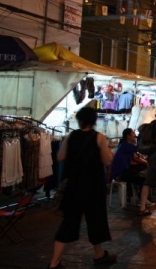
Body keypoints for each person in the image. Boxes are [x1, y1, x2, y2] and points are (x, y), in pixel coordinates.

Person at [47, 106, 116, 269]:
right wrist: (108, 152)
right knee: (95, 220)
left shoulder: (71, 136)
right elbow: (107, 161)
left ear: (79, 120)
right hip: (93, 187)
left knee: (68, 222)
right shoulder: (99, 137)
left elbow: (60, 157)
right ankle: (99, 255)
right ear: (93, 120)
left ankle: (54, 262)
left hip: (74, 186)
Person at [110, 128, 152, 206]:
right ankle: (143, 200)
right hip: (121, 173)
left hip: (122, 171)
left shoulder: (124, 145)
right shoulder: (128, 146)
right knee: (142, 179)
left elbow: (134, 158)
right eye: (133, 133)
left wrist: (145, 162)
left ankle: (137, 197)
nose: (135, 135)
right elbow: (138, 154)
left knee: (141, 173)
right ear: (128, 136)